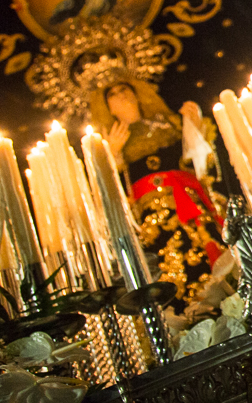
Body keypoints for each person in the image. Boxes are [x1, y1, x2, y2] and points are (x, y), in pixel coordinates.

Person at [90, 78, 224, 309]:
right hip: (153, 218)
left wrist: (193, 128)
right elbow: (106, 194)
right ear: (107, 107)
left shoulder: (168, 123)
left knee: (213, 253)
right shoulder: (105, 142)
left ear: (137, 93)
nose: (121, 95)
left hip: (191, 204)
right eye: (112, 94)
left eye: (125, 89)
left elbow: (201, 166)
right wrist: (111, 156)